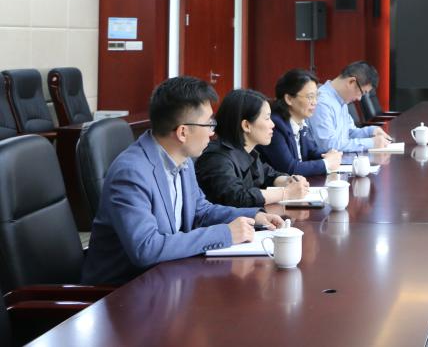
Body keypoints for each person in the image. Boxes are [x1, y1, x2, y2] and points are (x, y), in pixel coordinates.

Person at [81, 77, 285, 285]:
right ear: (183, 132)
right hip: (123, 291)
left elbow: (201, 211)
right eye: (209, 124)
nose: (212, 132)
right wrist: (225, 233)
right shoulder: (131, 173)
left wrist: (254, 216)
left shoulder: (182, 159)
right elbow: (146, 248)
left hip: (167, 277)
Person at [196, 88, 309, 207]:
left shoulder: (247, 150)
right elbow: (236, 197)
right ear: (246, 125)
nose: (272, 124)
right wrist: (286, 193)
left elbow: (268, 175)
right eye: (267, 118)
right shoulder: (216, 158)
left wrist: (289, 181)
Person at [259, 68, 343, 176]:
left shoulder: (301, 122)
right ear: (289, 99)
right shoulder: (275, 125)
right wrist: (326, 163)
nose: (315, 102)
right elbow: (289, 169)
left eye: (316, 96)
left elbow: (311, 152)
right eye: (310, 97)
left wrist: (329, 155)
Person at [307, 61, 391, 153]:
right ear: (351, 82)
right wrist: (371, 143)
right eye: (362, 92)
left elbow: (350, 133)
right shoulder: (322, 102)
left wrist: (372, 131)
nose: (359, 98)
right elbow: (328, 145)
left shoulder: (341, 100)